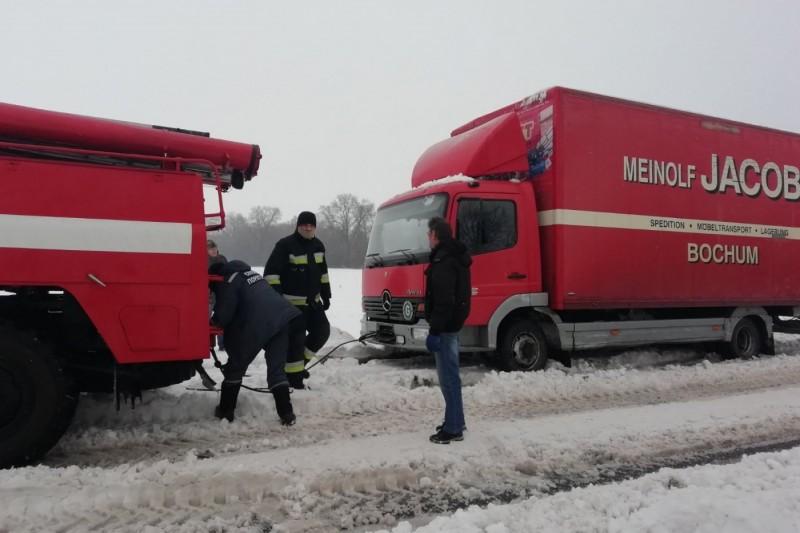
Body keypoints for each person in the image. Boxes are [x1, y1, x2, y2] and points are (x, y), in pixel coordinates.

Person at [209, 259, 300, 426]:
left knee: (235, 366)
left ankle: (226, 411)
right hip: (281, 318)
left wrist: (213, 322)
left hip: (257, 323)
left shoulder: (227, 279)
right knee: (277, 370)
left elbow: (225, 312)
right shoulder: (250, 274)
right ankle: (287, 414)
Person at [264, 211, 331, 389]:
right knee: (296, 341)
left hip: (313, 304)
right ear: (298, 226)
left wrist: (326, 294)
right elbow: (271, 274)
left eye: (311, 225)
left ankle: (298, 367)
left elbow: (323, 273)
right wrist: (278, 299)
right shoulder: (285, 245)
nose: (308, 227)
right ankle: (294, 381)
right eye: (304, 225)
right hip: (292, 306)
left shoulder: (318, 245)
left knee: (322, 331)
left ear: (315, 227)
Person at [424, 217, 472, 444]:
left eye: (429, 233)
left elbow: (444, 300)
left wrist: (434, 330)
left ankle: (453, 429)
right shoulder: (455, 257)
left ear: (435, 235)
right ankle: (456, 420)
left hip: (445, 327)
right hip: (453, 324)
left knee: (448, 378)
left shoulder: (444, 260)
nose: (427, 237)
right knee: (452, 376)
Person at [207, 239, 228, 351]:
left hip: (221, 292)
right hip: (208, 294)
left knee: (222, 317)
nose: (213, 251)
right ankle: (206, 343)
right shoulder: (202, 260)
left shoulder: (222, 258)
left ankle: (223, 344)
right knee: (205, 317)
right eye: (210, 249)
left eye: (214, 248)